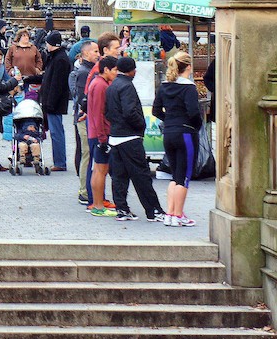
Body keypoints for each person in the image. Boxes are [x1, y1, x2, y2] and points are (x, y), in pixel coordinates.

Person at [105, 56, 165, 222]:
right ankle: (153, 210)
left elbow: (107, 112)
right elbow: (130, 111)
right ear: (132, 70)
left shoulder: (111, 87)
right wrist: (140, 125)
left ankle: (122, 209)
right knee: (141, 175)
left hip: (115, 137)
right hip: (130, 137)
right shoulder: (127, 86)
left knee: (119, 176)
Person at [152, 51, 201, 226]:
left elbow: (155, 110)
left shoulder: (164, 86)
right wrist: (196, 126)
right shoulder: (188, 87)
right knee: (184, 176)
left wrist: (170, 121)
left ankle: (170, 214)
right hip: (186, 133)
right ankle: (178, 215)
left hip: (169, 133)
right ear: (188, 66)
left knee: (174, 175)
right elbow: (194, 112)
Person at [85, 56, 119, 216]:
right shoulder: (100, 86)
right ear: (106, 69)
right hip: (100, 134)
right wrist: (102, 138)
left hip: (97, 133)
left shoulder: (100, 83)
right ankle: (98, 205)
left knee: (99, 169)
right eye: (114, 70)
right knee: (100, 169)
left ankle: (98, 204)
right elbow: (98, 113)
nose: (116, 73)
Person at [69, 40, 98, 205]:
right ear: (86, 53)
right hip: (83, 118)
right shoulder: (83, 72)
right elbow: (81, 98)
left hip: (87, 117)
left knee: (88, 153)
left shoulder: (90, 70)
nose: (97, 54)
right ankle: (84, 190)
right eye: (95, 51)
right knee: (86, 153)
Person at [38, 31, 71, 172]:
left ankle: (60, 161)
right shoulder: (56, 57)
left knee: (56, 132)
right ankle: (59, 160)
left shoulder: (60, 60)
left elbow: (57, 84)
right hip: (52, 101)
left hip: (54, 103)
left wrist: (49, 103)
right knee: (56, 131)